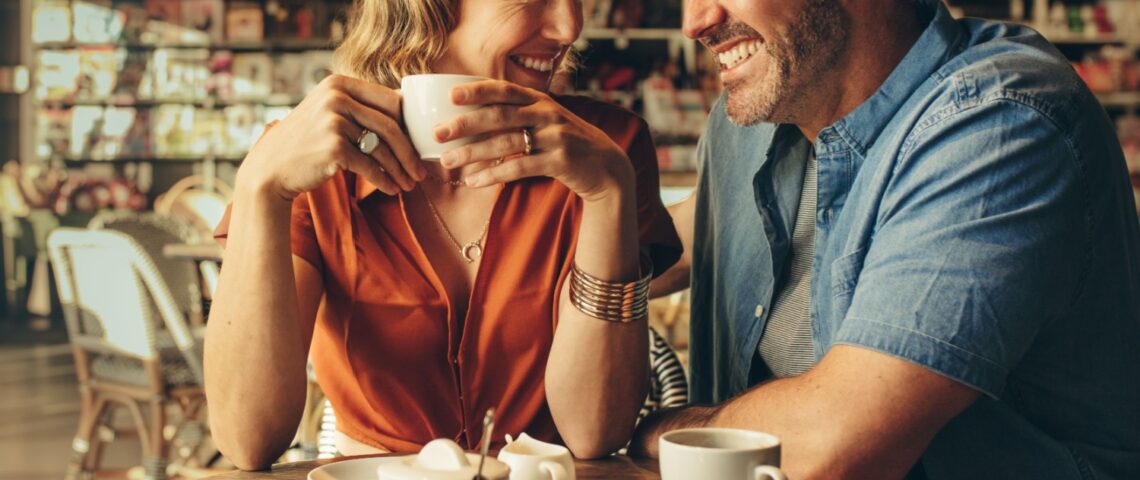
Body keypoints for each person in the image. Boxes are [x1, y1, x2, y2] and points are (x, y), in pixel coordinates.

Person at [635, 0, 1140, 478]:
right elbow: (679, 238)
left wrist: (659, 432)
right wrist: (598, 196)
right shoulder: (763, 120)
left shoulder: (998, 122)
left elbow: (835, 445)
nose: (695, 20)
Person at [204, 0, 680, 470]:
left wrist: (608, 194)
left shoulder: (607, 153)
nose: (569, 26)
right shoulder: (311, 160)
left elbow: (594, 430)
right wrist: (259, 188)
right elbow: (249, 439)